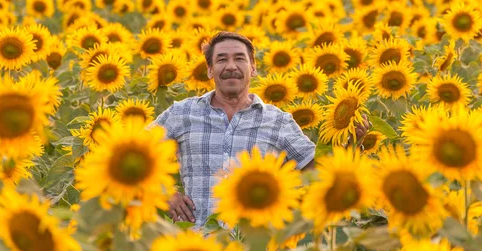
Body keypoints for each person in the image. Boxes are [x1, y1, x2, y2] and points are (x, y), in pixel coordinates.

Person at [151, 31, 370, 226]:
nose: (230, 66)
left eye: (239, 59)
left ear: (253, 68)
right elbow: (134, 147)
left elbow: (316, 173)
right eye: (221, 59)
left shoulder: (277, 121)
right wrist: (164, 193)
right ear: (209, 70)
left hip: (256, 249)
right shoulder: (183, 113)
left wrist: (353, 143)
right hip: (197, 249)